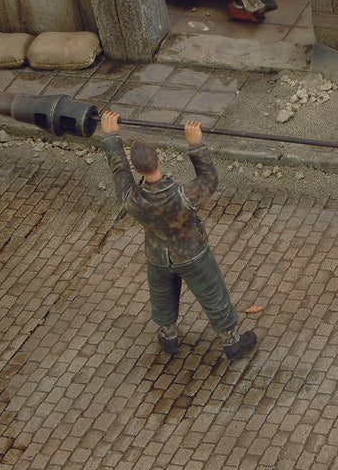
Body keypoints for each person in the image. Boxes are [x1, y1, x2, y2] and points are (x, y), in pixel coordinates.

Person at [99, 111, 257, 361]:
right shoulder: (183, 195)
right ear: (158, 160)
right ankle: (231, 341)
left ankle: (168, 335)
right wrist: (195, 145)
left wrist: (111, 138)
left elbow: (120, 173)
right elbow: (209, 179)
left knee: (162, 295)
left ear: (138, 169)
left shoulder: (133, 200)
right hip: (193, 255)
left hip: (158, 257)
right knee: (213, 294)